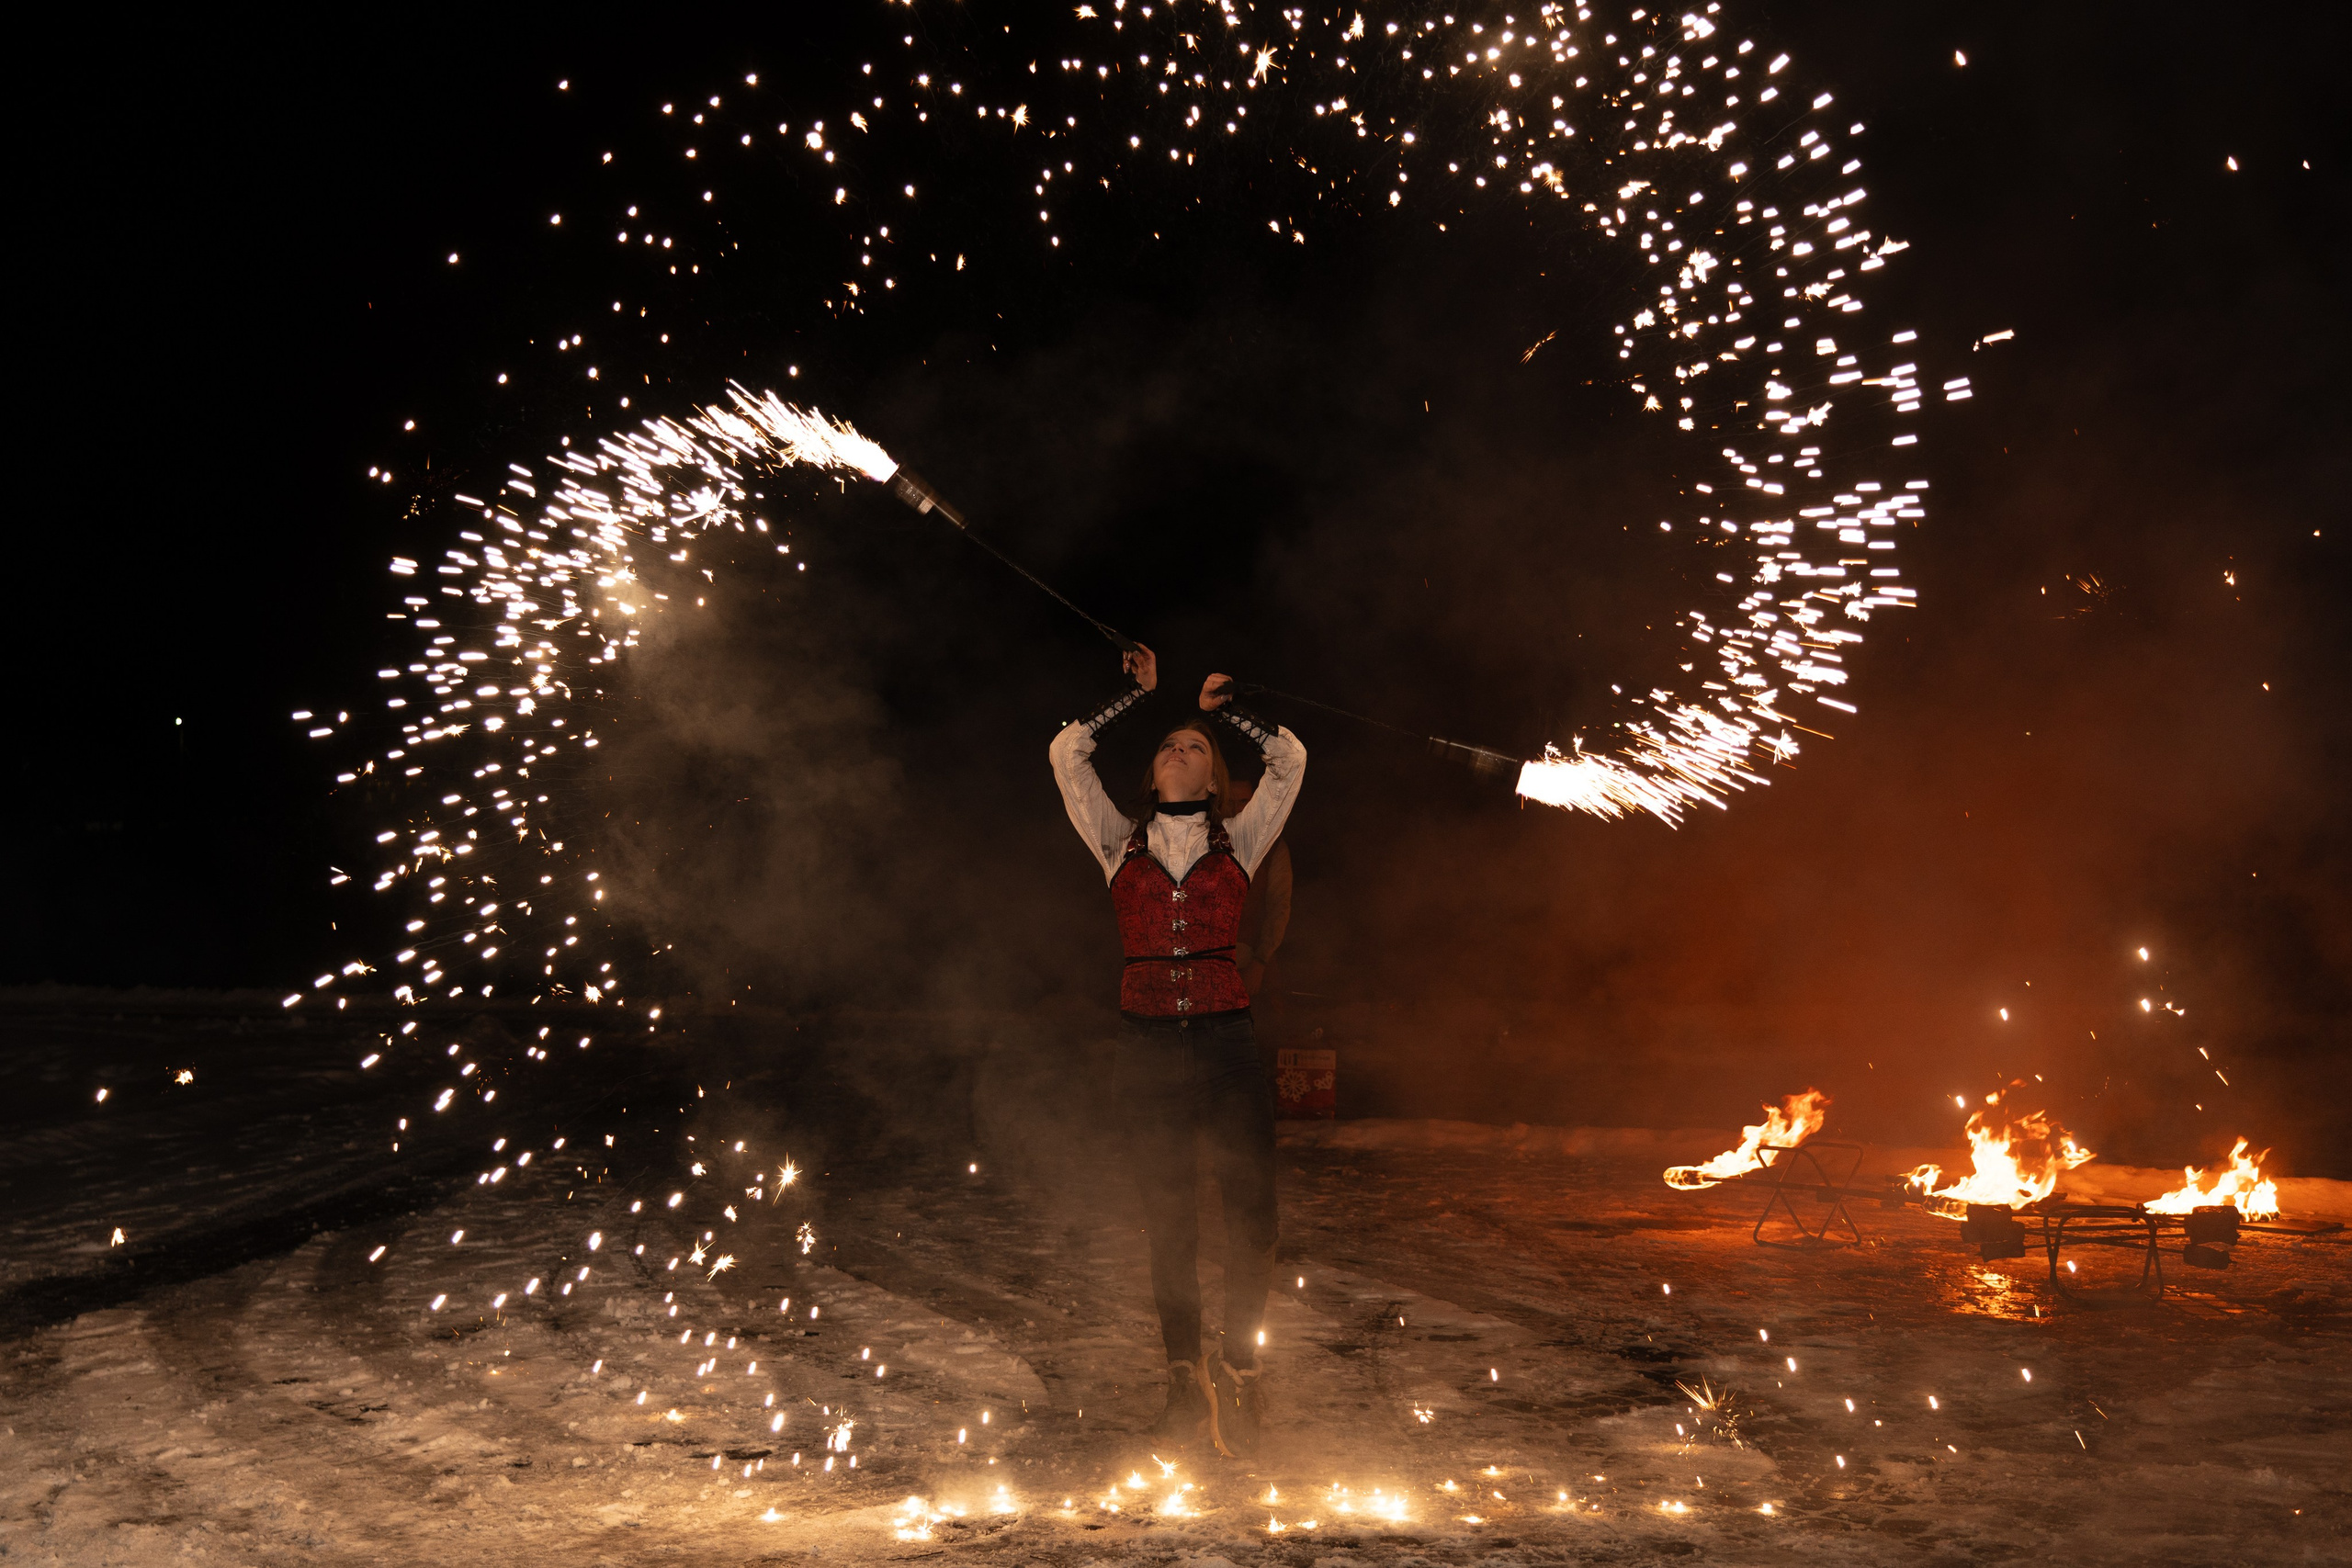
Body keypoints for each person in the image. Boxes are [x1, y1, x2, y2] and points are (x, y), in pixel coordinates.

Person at [1048, 643, 1306, 1457]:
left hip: (1228, 1045)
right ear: (1154, 772)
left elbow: (1291, 760)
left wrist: (1233, 711)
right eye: (1168, 743)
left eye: (1195, 745)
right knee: (1169, 1222)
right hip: (1147, 1050)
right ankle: (1184, 1382)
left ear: (1214, 777)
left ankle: (1243, 1372)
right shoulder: (1116, 841)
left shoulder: (1243, 839)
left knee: (1252, 1213)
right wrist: (1132, 695)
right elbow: (1066, 753)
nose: (1178, 749)